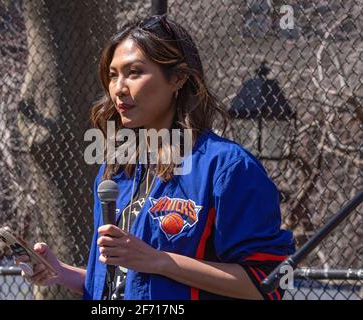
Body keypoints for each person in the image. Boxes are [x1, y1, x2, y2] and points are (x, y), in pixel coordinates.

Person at [15, 14, 295, 300]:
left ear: (177, 78)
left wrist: (160, 260)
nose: (119, 88)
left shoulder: (226, 167)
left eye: (134, 72)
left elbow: (270, 283)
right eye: (113, 75)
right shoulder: (116, 169)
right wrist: (60, 272)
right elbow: (129, 283)